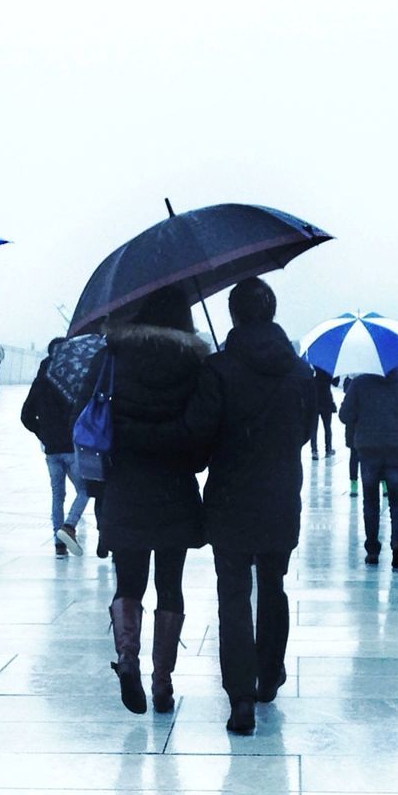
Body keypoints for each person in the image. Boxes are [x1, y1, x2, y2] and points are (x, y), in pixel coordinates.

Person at [125, 277, 315, 735]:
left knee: (233, 595)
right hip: (281, 497)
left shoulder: (220, 369)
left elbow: (198, 437)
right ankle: (269, 676)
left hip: (231, 500)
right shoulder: (300, 372)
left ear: (233, 315)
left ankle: (241, 700)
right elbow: (305, 432)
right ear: (271, 312)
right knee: (273, 585)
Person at [95, 286, 209, 715]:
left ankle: (128, 660)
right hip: (174, 489)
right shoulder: (195, 364)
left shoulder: (113, 356)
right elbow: (204, 430)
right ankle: (163, 683)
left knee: (129, 583)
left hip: (125, 487)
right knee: (170, 585)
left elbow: (87, 416)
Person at [339, 365, 398, 570]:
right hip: (396, 449)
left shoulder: (359, 384)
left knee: (370, 501)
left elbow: (344, 416)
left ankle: (372, 550)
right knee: (397, 501)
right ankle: (397, 544)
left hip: (368, 448)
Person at [20, 338, 90, 555]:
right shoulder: (72, 379)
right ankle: (69, 525)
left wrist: (44, 433)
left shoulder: (40, 382)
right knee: (86, 489)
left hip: (52, 449)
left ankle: (59, 542)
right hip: (71, 446)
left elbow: (26, 416)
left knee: (57, 494)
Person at [309, 366, 336, 458]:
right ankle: (328, 449)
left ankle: (314, 450)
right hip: (326, 403)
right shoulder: (328, 375)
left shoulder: (313, 377)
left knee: (314, 428)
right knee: (327, 427)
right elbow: (336, 383)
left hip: (315, 403)